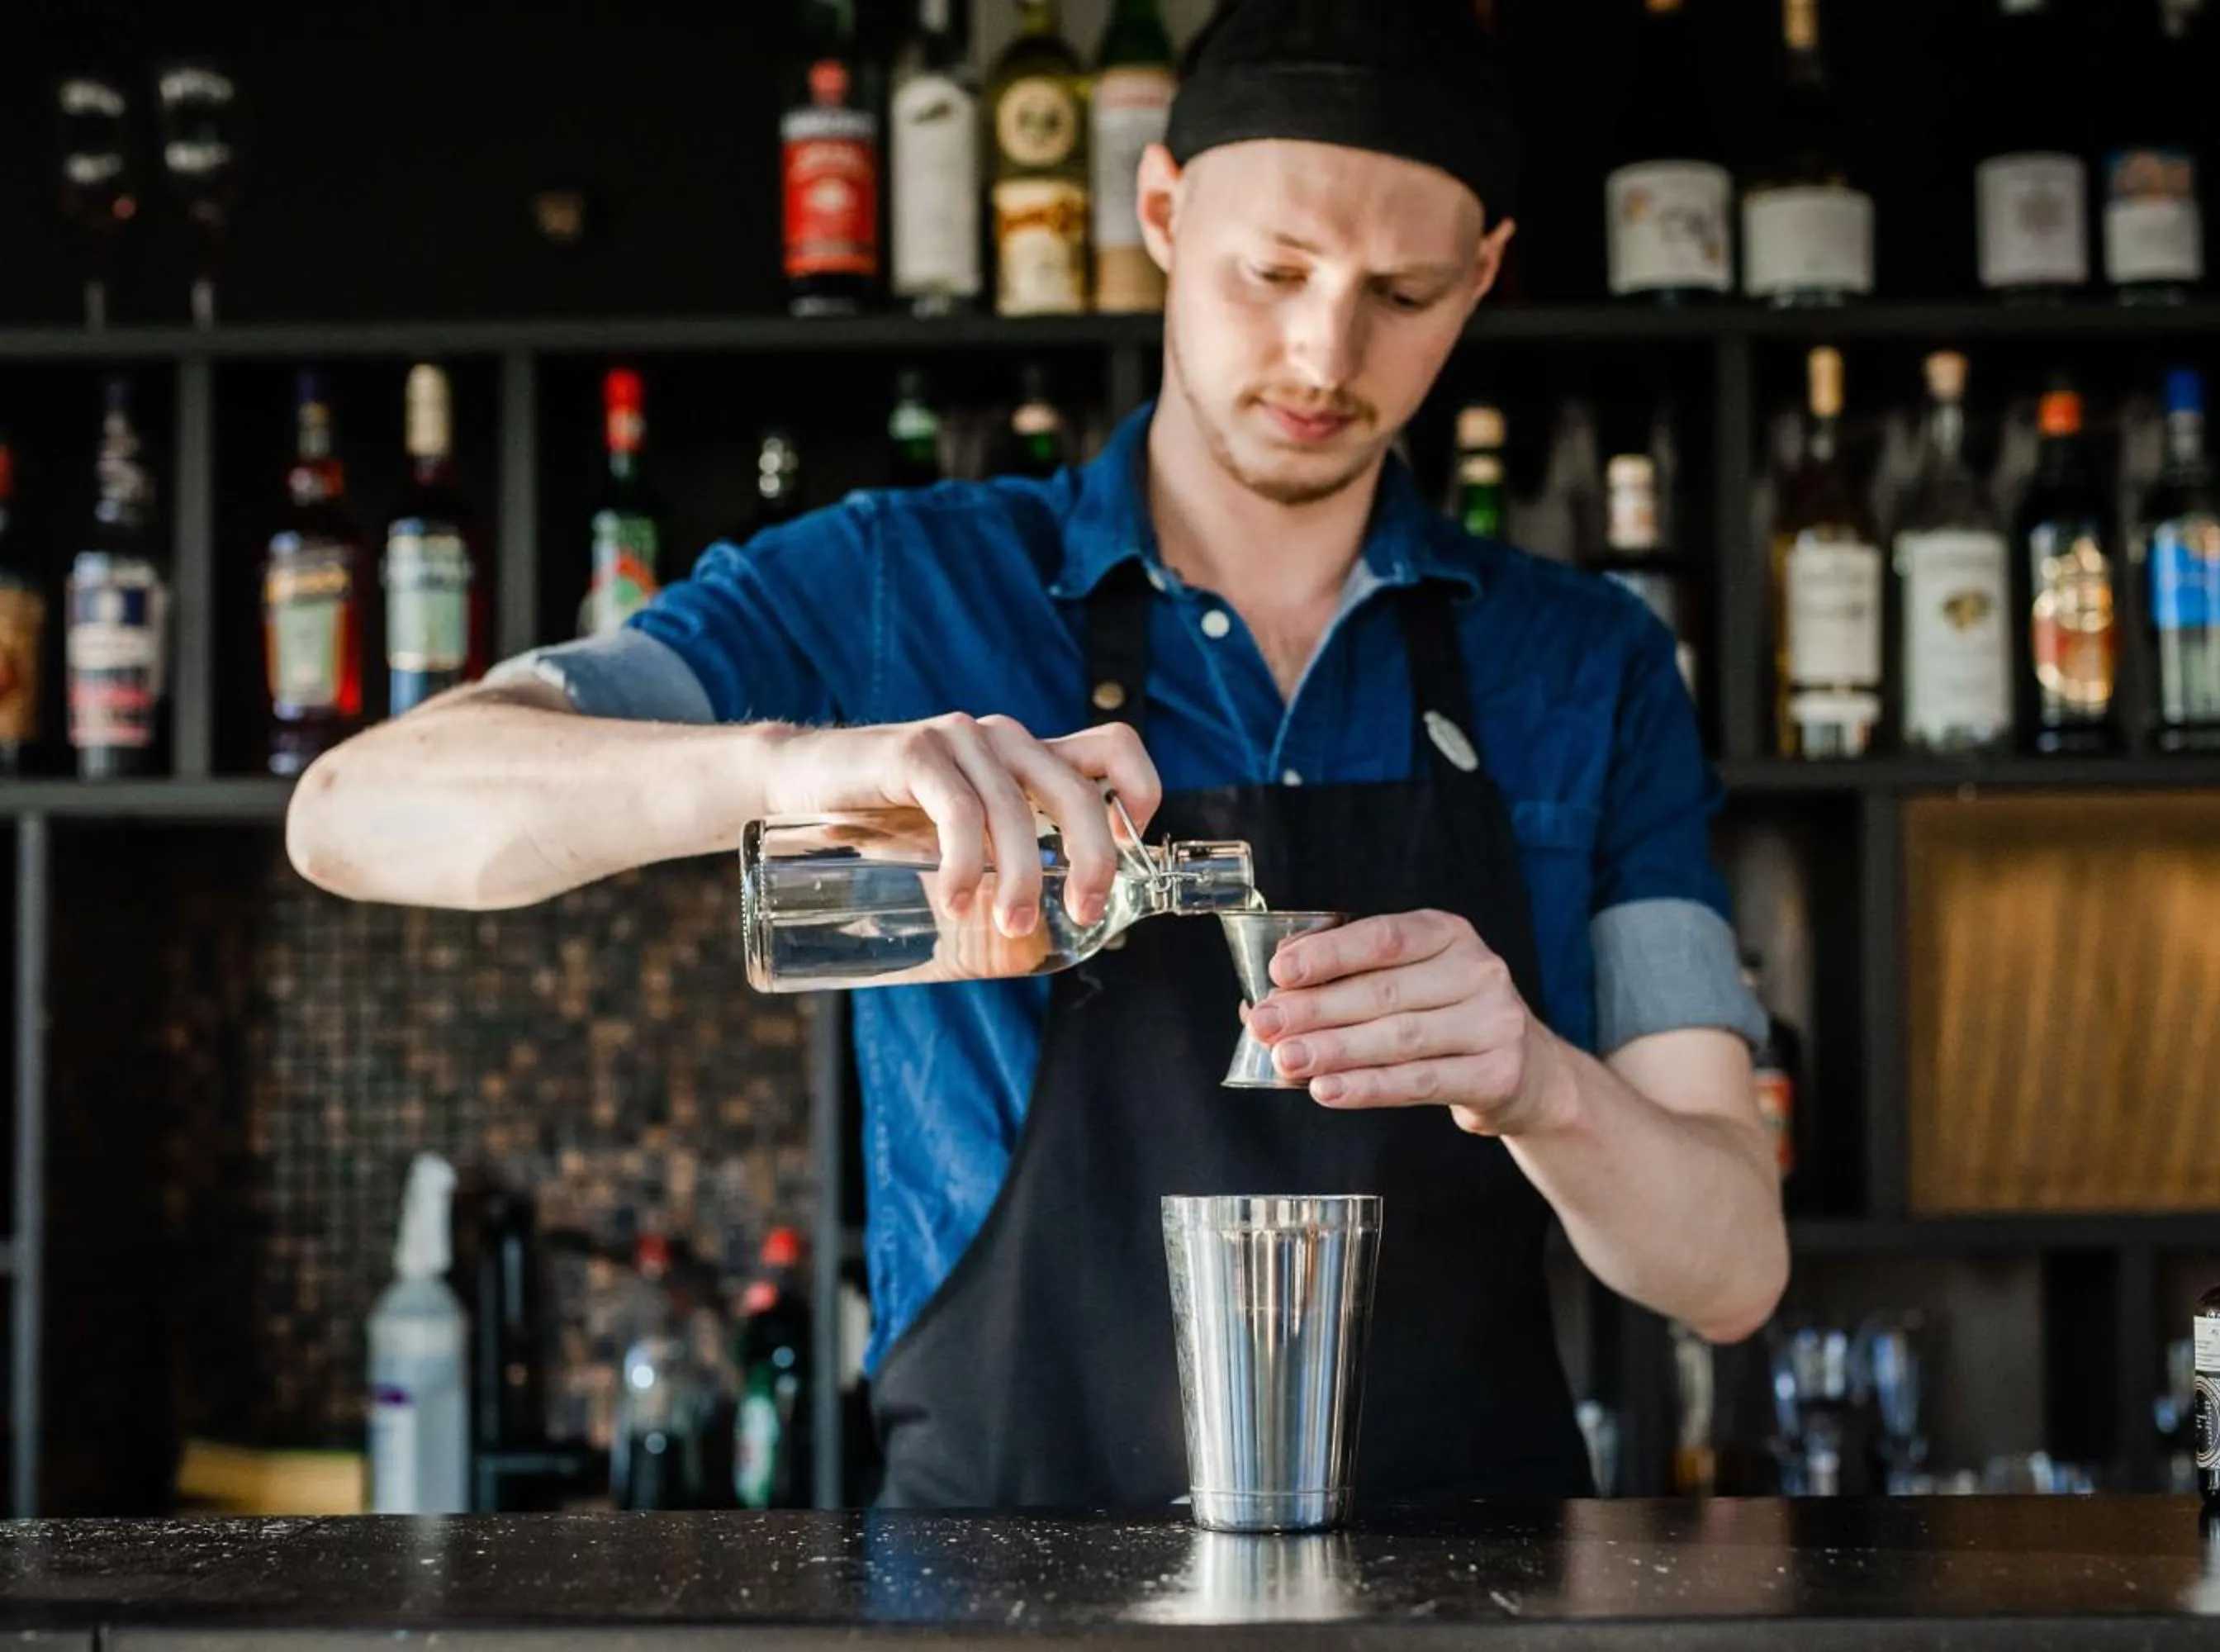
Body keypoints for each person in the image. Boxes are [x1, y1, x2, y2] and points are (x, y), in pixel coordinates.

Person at [287, 0, 1785, 1508]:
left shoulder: (1587, 663)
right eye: (1272, 273)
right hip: (998, 1586)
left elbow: (1731, 1271)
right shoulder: (894, 586)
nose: (1326, 351)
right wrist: (786, 768)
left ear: (1485, 277)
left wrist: (1540, 1081)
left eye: (1403, 292)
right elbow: (357, 811)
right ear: (1158, 208)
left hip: (1477, 1592)